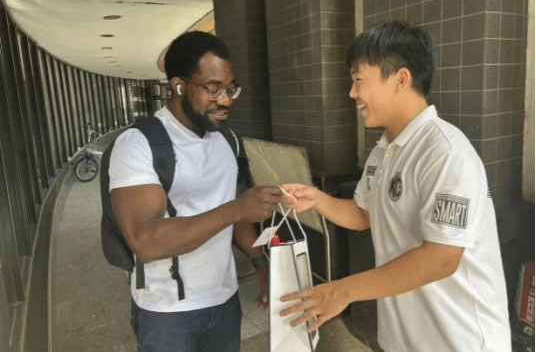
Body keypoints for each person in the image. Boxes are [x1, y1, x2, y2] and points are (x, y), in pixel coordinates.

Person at [280, 21, 511, 352]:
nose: (352, 93)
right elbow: (364, 215)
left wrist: (343, 291)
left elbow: (441, 258)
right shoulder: (384, 150)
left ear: (401, 79)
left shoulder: (445, 153)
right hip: (403, 338)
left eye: (359, 80)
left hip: (460, 340)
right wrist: (317, 199)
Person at [109, 31, 281, 352]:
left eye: (230, 89)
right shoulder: (139, 145)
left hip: (225, 299)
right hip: (167, 312)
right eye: (213, 88)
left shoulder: (226, 139)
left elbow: (234, 205)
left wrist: (260, 263)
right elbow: (145, 241)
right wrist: (237, 209)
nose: (226, 100)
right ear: (179, 85)